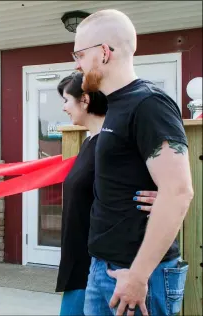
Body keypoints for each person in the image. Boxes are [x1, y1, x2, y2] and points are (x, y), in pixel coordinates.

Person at [73, 9, 193, 316]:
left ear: (104, 52)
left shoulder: (148, 103)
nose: (77, 64)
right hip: (106, 268)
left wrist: (138, 276)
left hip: (138, 276)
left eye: (80, 54)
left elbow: (179, 191)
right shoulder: (116, 105)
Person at [55, 71, 158, 316]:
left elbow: (165, 184)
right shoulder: (90, 142)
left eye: (66, 100)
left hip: (104, 267)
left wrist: (163, 198)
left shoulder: (114, 144)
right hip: (81, 263)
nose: (63, 107)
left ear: (85, 101)